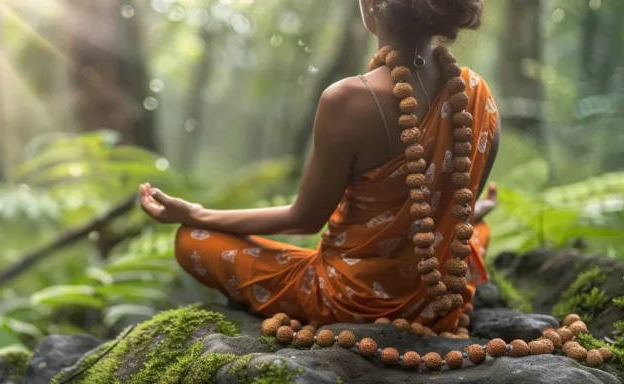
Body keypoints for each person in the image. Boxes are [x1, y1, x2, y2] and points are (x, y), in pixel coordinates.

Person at [138, 0, 499, 334]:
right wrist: (473, 212)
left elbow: (303, 219)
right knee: (474, 236)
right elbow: (451, 210)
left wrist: (198, 214)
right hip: (438, 301)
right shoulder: (477, 95)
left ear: (373, 5)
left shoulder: (347, 100)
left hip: (351, 300)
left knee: (191, 240)